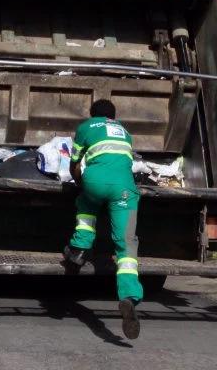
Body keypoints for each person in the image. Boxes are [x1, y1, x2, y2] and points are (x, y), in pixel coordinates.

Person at [62, 99, 144, 340]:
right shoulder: (125, 132)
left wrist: (80, 182)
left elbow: (74, 163)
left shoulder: (87, 126)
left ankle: (80, 248)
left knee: (86, 204)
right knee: (126, 245)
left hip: (95, 182)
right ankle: (128, 296)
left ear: (92, 114)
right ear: (114, 116)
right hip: (124, 189)